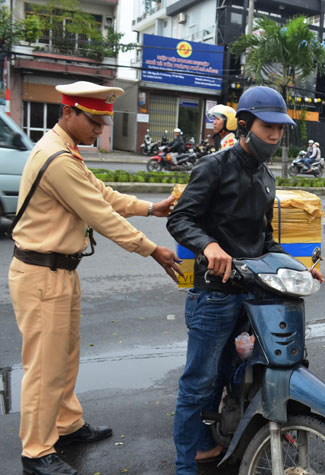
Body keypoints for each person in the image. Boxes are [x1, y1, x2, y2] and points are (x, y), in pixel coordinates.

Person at [8, 81, 183, 475]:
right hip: (41, 273)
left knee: (65, 358)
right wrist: (151, 249)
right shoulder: (57, 159)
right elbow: (100, 215)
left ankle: (66, 426)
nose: (99, 130)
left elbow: (101, 193)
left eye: (103, 122)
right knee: (44, 367)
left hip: (59, 271)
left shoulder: (66, 151)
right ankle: (36, 452)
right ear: (67, 112)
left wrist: (150, 208)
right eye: (94, 121)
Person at [167, 85, 323, 475]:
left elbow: (265, 240)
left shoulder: (266, 178)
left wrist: (300, 269)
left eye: (280, 128)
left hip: (253, 295)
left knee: (236, 370)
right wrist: (210, 245)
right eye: (267, 126)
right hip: (215, 295)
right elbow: (180, 219)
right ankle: (186, 465)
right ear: (246, 124)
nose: (274, 135)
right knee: (198, 383)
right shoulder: (215, 167)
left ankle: (213, 438)